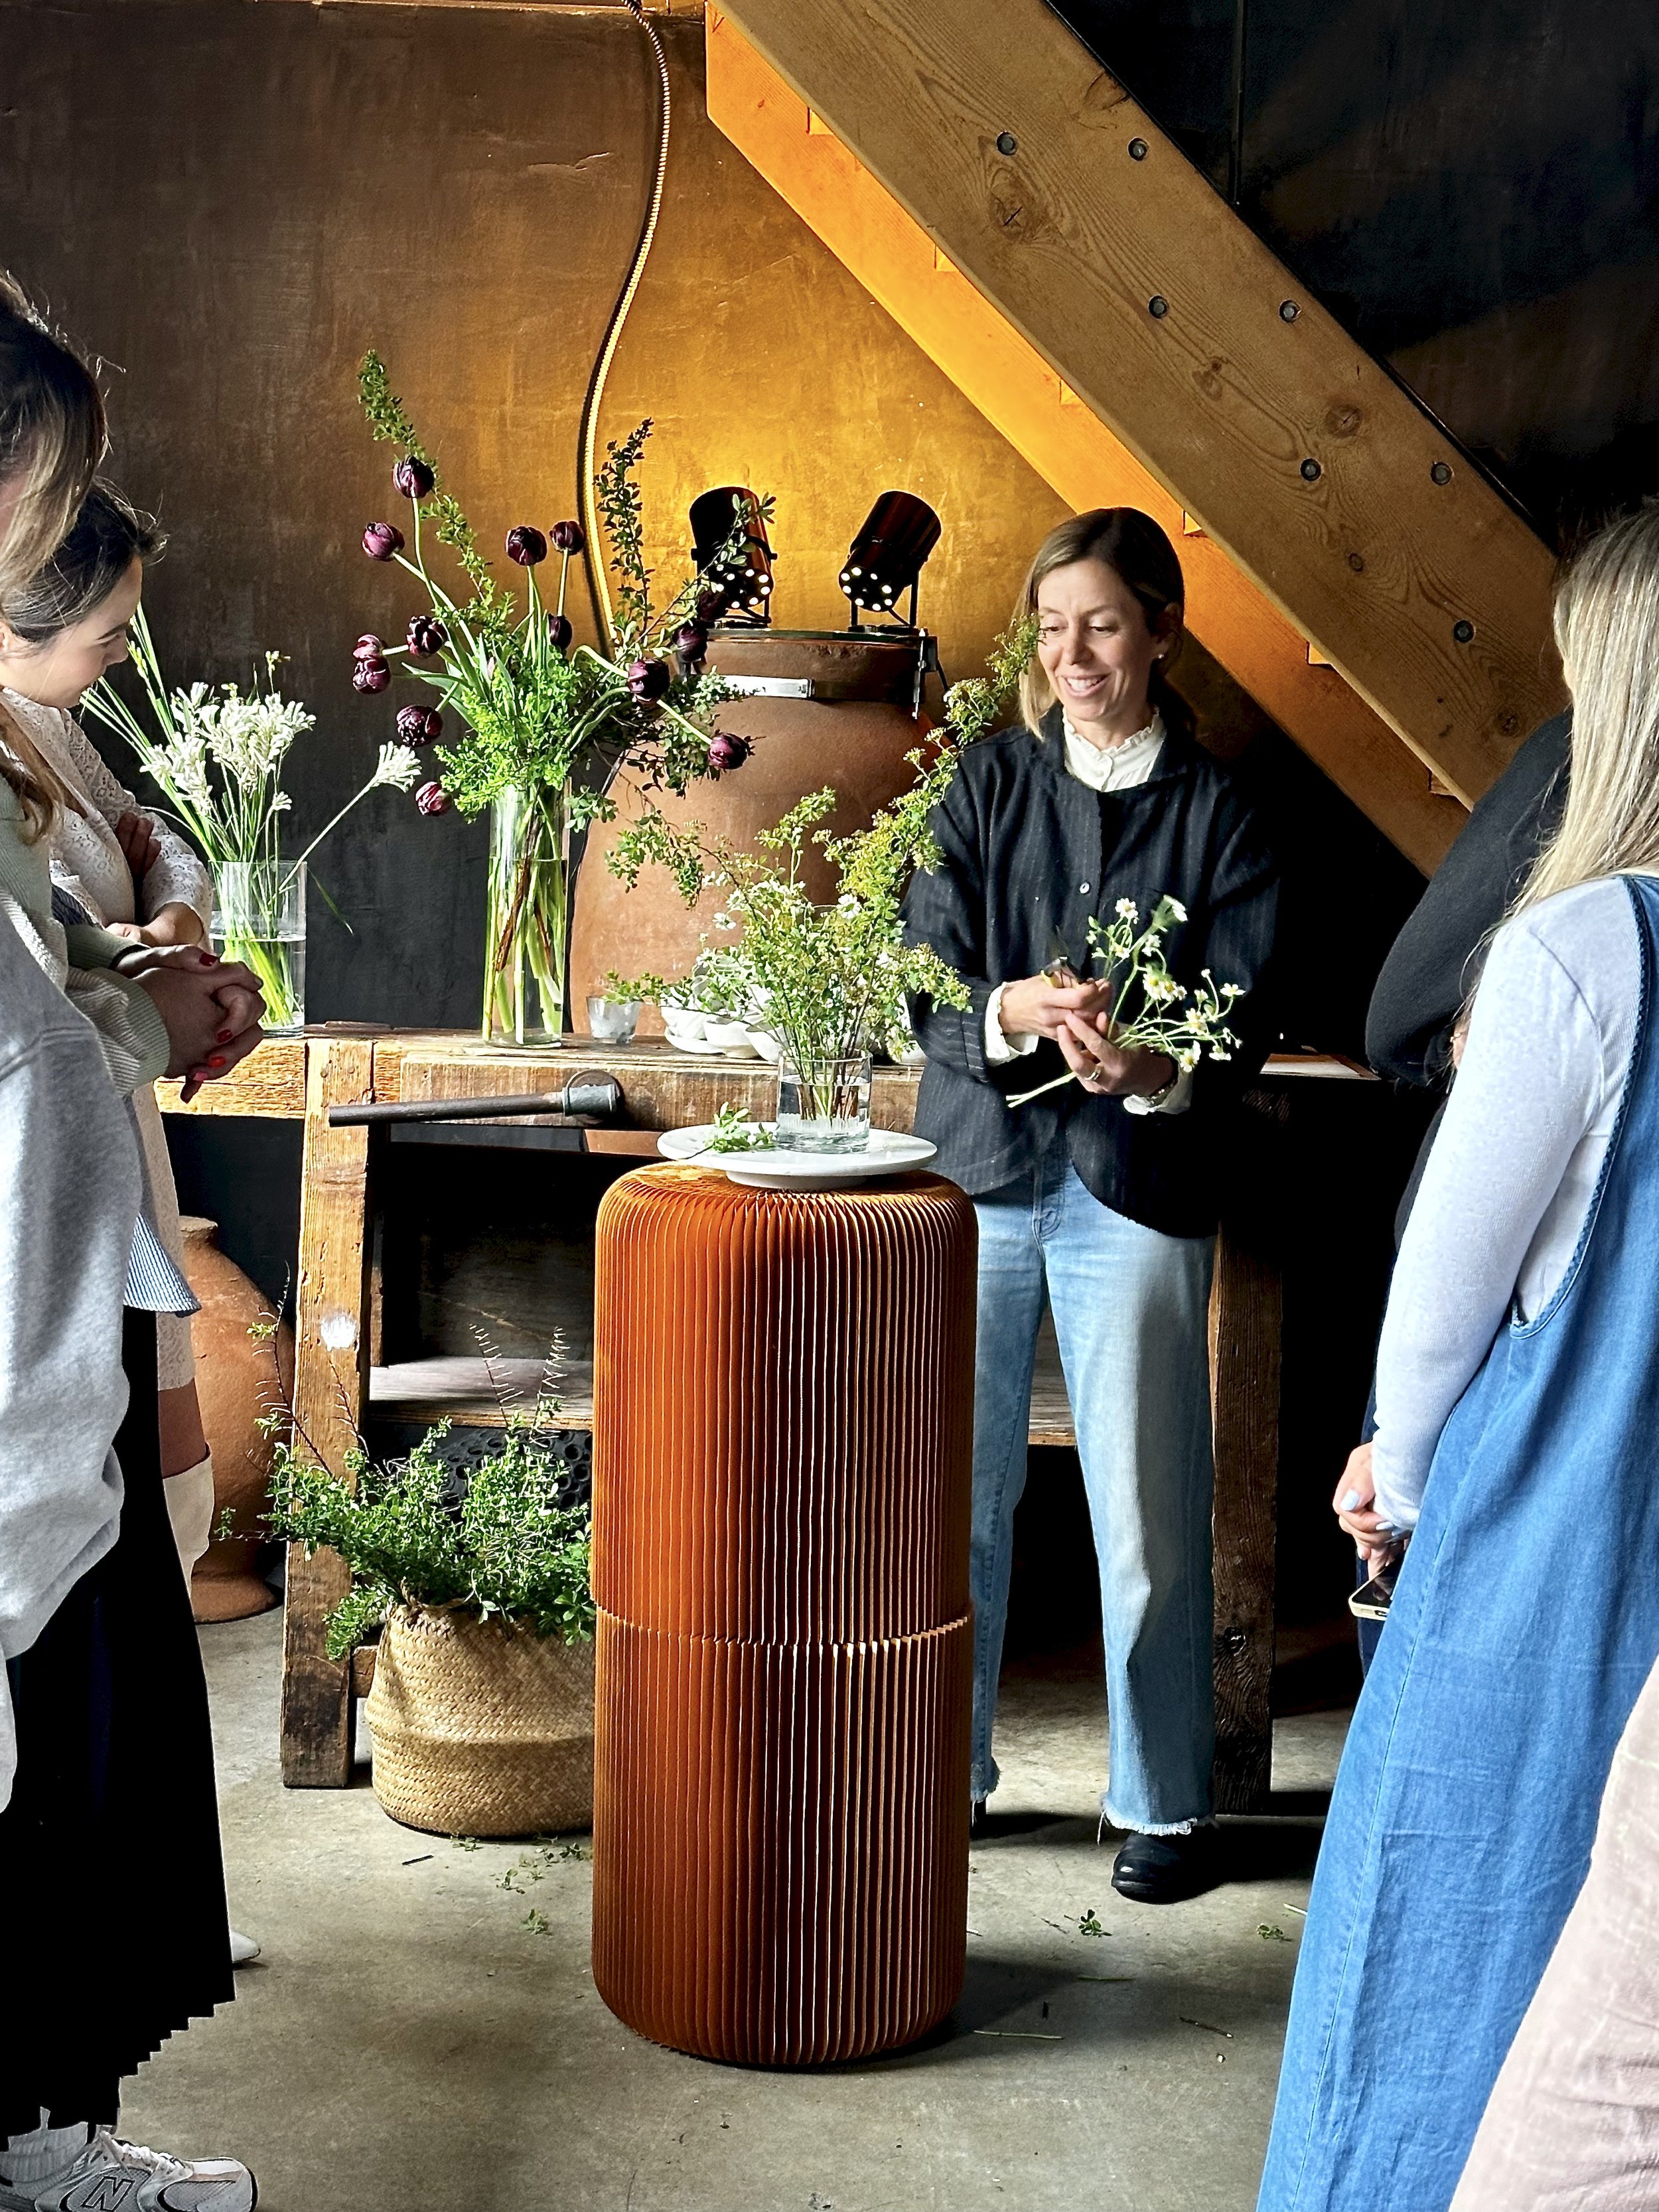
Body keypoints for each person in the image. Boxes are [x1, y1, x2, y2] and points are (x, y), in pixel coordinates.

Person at [1256, 501, 1659, 2212]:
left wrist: (1396, 1472)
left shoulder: (1584, 947)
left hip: (1549, 1543)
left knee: (1447, 1931)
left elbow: (1443, 1289)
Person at [905, 507, 1279, 1903]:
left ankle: (1163, 1803)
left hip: (1137, 1180)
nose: (1074, 654)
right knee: (952, 1495)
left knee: (1144, 1502)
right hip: (981, 1175)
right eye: (1053, 627)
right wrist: (1010, 1005)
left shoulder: (1221, 810)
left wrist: (1151, 1068)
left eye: (1103, 625)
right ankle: (938, 1776)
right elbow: (924, 974)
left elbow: (1241, 1016)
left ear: (1161, 631)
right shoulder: (983, 780)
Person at [0, 293, 260, 2209]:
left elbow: (46, 963)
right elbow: (28, 1053)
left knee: (77, 1748)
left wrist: (128, 973)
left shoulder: (48, 752)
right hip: (28, 1329)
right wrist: (141, 1022)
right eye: (41, 496)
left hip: (60, 1308)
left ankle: (45, 2137)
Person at [0, 483, 218, 1579]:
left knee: (155, 1499)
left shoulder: (45, 727)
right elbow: (38, 981)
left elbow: (163, 838)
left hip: (124, 1113)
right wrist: (126, 957)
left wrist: (170, 921)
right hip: (70, 1136)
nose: (124, 657)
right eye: (108, 636)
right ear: (14, 628)